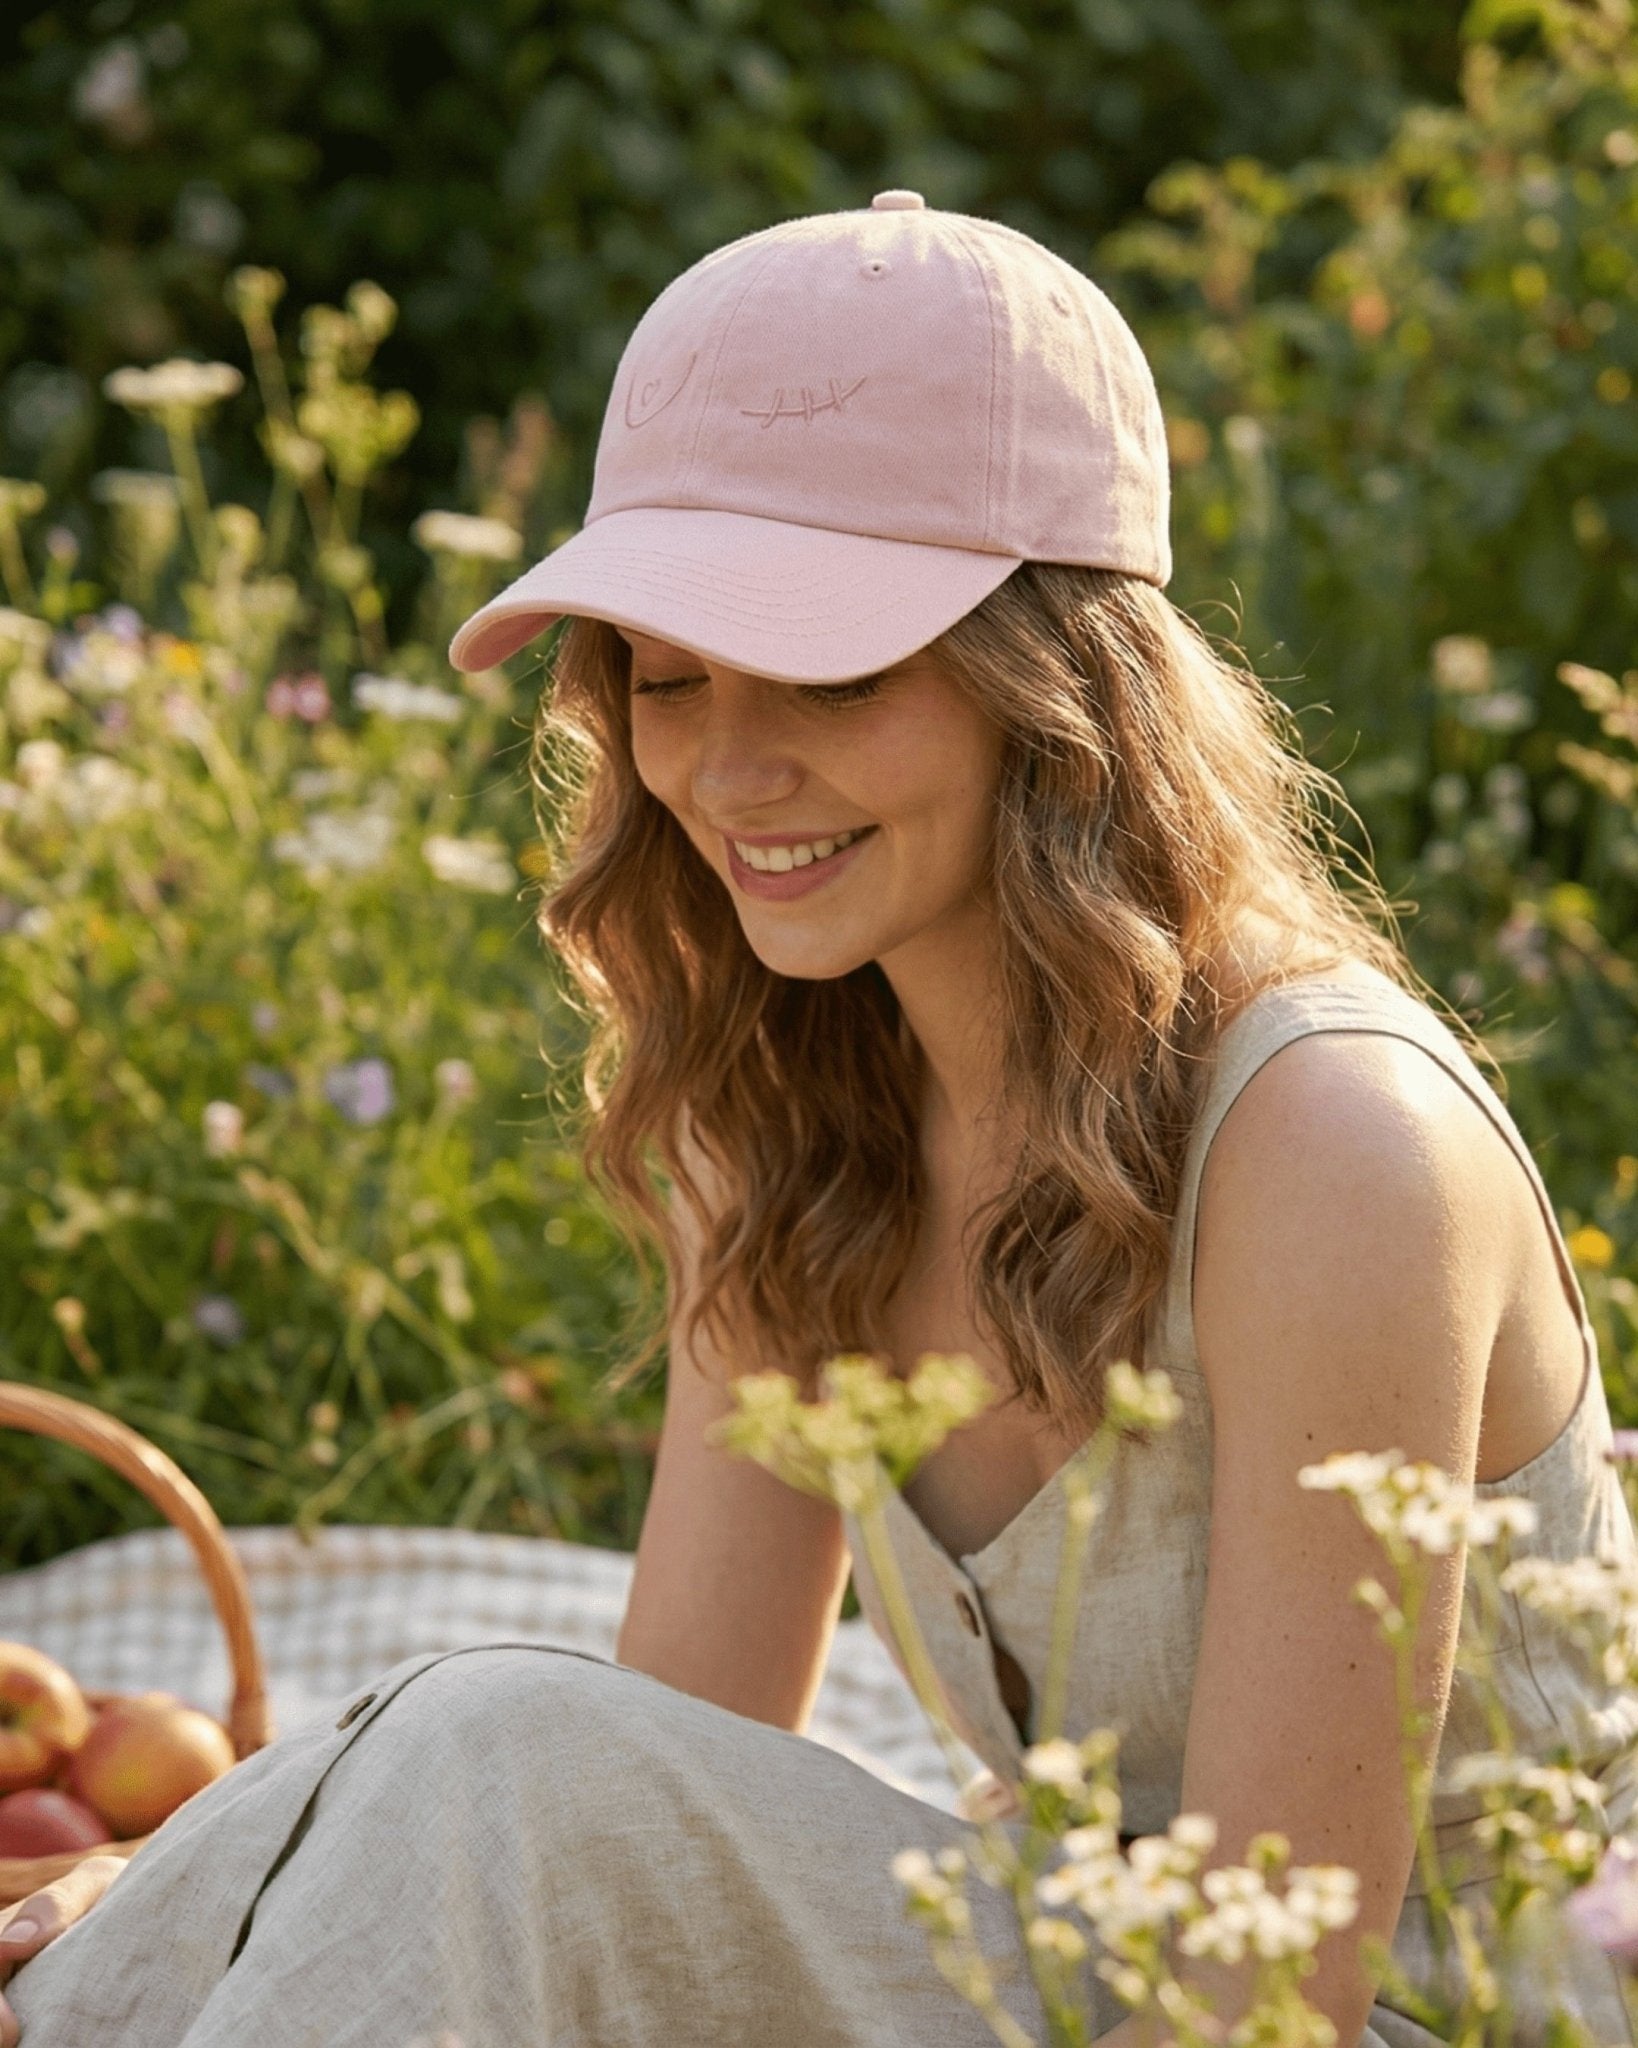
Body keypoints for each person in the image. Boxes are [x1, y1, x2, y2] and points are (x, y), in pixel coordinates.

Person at [2, 190, 1635, 2048]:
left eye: (832, 674)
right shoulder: (785, 1111)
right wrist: (252, 1872)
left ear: (1058, 690)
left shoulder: (1332, 1145)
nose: (725, 769)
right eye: (667, 679)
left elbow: (1267, 1993)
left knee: (497, 1749)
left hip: (1370, 2022)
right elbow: (673, 1759)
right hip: (1069, 1978)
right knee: (438, 1784)